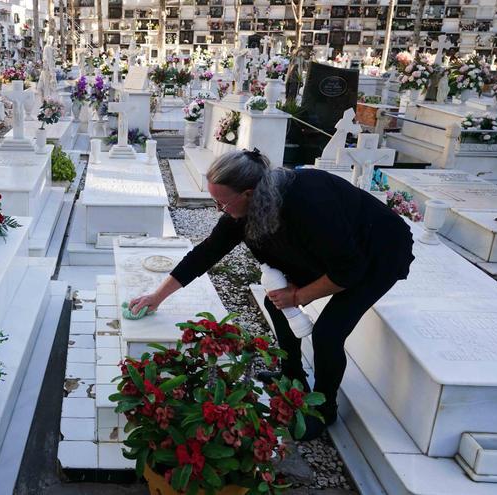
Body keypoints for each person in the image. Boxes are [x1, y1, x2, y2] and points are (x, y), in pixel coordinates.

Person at [129, 149, 415, 440]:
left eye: (221, 202)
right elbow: (206, 253)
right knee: (274, 301)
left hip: (378, 253)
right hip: (331, 253)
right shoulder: (243, 209)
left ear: (249, 193)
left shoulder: (308, 201)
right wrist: (157, 296)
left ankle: (324, 408)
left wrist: (300, 295)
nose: (218, 209)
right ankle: (292, 377)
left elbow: (348, 271)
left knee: (329, 332)